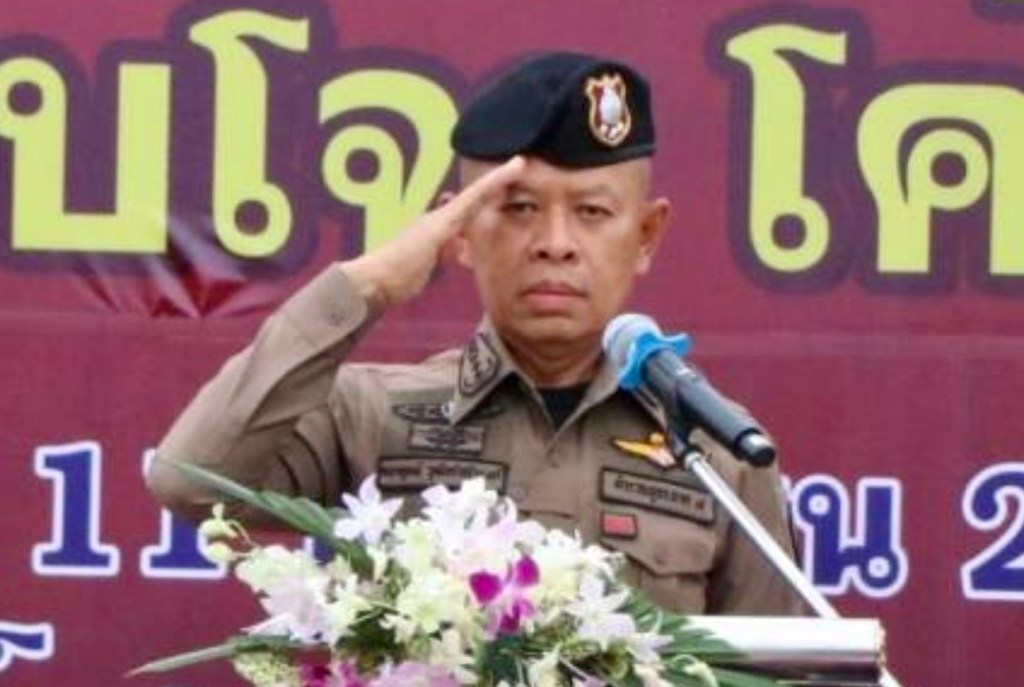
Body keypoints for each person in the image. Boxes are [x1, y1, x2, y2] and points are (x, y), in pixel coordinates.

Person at [149, 52, 805, 616]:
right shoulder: (370, 413)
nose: (555, 243)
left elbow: (779, 668)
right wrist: (366, 286)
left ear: (646, 235)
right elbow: (190, 483)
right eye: (519, 208)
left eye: (592, 211)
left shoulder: (716, 454)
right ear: (458, 230)